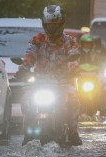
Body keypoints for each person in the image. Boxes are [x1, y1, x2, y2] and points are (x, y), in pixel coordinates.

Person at [16, 4, 82, 146]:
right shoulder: (37, 40)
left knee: (73, 101)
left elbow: (74, 56)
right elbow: (29, 54)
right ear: (44, 24)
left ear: (61, 24)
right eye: (49, 25)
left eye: (55, 25)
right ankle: (28, 130)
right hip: (40, 81)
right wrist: (23, 68)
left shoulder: (69, 42)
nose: (51, 28)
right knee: (26, 100)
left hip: (62, 82)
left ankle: (72, 131)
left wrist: (74, 68)